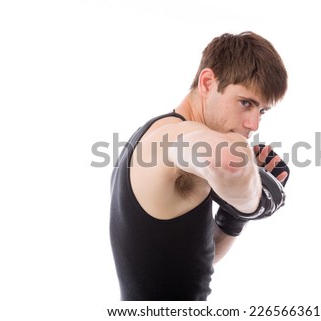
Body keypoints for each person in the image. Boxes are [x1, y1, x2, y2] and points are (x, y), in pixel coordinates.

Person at [110, 31, 290, 301]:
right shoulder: (169, 138)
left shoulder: (153, 137)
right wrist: (263, 194)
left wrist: (236, 215)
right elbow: (229, 161)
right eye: (245, 103)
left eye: (262, 111)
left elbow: (198, 258)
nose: (254, 124)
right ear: (207, 83)